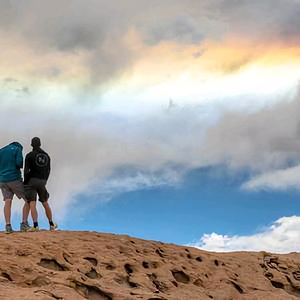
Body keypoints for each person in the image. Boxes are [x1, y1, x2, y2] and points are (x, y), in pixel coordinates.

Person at [24, 137, 57, 232]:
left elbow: (26, 171)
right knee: (45, 202)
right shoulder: (46, 156)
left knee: (32, 203)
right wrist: (45, 180)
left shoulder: (30, 155)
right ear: (40, 144)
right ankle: (51, 224)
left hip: (32, 181)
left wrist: (26, 182)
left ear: (31, 144)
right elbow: (48, 170)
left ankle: (35, 225)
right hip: (42, 181)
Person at [0, 142, 31, 234]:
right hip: (14, 178)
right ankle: (24, 224)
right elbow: (19, 163)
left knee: (7, 201)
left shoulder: (1, 151)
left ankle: (8, 226)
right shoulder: (17, 149)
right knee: (28, 199)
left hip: (2, 180)